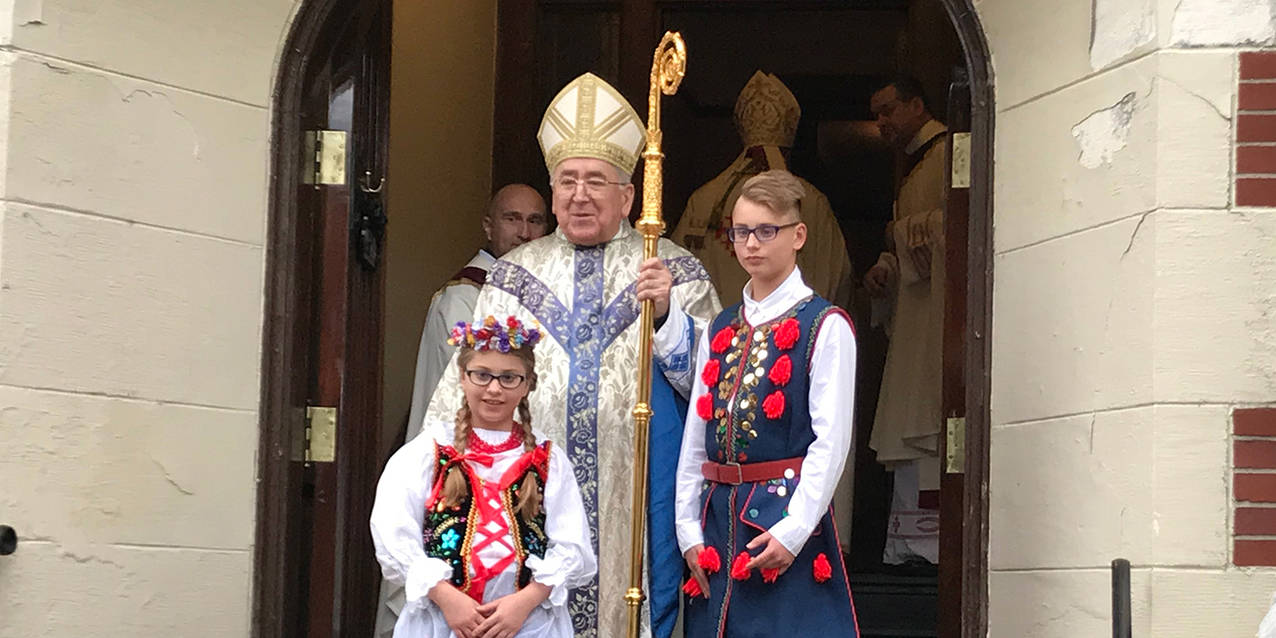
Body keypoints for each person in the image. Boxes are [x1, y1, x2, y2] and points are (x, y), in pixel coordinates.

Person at [424, 72, 721, 638]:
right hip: (523, 494)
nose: (580, 195)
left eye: (597, 181)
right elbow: (461, 393)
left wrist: (665, 319)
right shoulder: (513, 276)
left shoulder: (674, 271)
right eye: (567, 181)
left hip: (640, 499)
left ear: (630, 195)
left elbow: (716, 393)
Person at [675, 170, 859, 637]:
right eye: (740, 232)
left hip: (780, 522)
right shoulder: (720, 327)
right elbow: (696, 439)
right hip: (715, 522)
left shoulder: (824, 325)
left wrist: (794, 531)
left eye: (765, 231)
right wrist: (688, 530)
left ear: (797, 235)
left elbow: (830, 442)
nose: (751, 244)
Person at [371, 315, 596, 638]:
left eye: (509, 378)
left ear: (527, 384)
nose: (494, 389)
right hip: (443, 620)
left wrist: (524, 603)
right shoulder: (428, 452)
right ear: (462, 377)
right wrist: (447, 598)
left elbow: (572, 546)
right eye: (482, 375)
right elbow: (393, 533)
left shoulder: (548, 460)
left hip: (526, 623)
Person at [672, 70, 853, 309]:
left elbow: (677, 272)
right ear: (787, 151)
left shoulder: (704, 199)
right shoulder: (809, 200)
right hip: (791, 333)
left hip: (718, 332)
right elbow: (835, 273)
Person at [863, 76, 948, 566]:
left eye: (889, 109)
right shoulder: (914, 168)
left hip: (938, 321)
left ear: (918, 104)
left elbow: (966, 224)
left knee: (928, 419)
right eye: (877, 113)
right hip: (914, 318)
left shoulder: (955, 151)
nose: (882, 122)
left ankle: (931, 544)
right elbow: (907, 245)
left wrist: (903, 234)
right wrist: (885, 267)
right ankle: (912, 543)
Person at [406, 185, 549, 441]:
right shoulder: (464, 294)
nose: (524, 233)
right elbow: (478, 379)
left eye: (534, 221)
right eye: (512, 219)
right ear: (488, 226)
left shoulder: (544, 289)